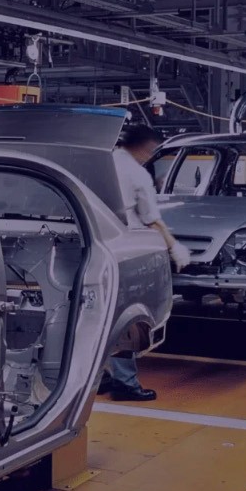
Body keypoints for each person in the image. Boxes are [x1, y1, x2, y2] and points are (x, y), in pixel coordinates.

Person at [101, 124, 189, 402]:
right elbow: (151, 218)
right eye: (151, 150)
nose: (151, 155)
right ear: (143, 146)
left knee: (99, 316)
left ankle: (101, 377)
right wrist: (174, 247)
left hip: (95, 248)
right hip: (124, 249)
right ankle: (125, 384)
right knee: (126, 317)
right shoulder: (137, 173)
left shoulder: (104, 160)